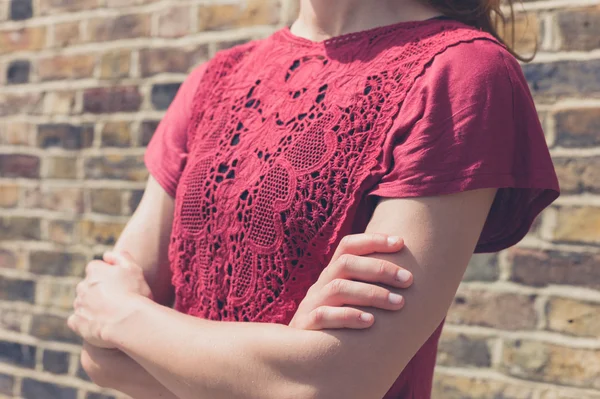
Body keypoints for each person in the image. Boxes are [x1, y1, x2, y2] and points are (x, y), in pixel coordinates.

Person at [68, 0, 560, 398]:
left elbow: (330, 384)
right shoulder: (215, 78)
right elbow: (102, 356)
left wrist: (124, 317)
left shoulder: (459, 71)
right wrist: (277, 360)